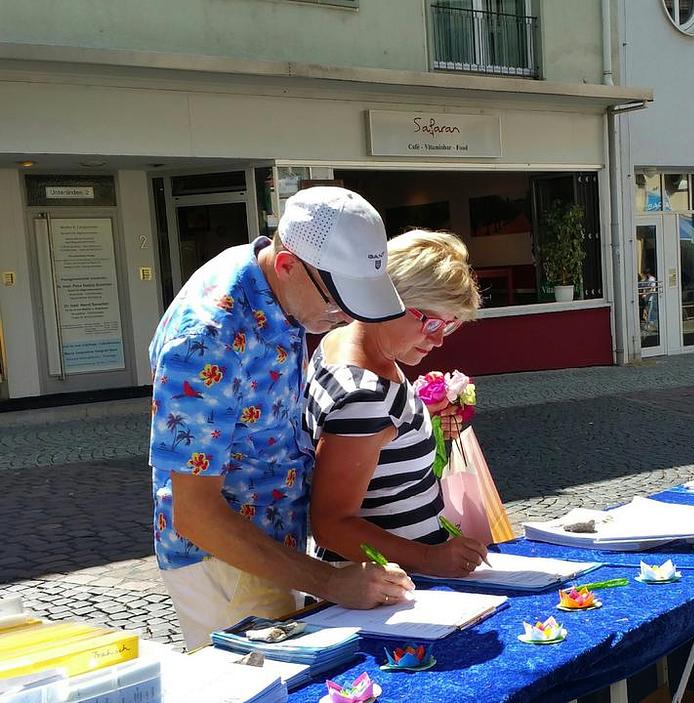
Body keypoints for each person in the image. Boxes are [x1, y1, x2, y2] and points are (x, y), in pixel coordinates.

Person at [149, 187, 415, 649]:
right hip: (224, 560)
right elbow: (194, 513)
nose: (340, 318)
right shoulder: (208, 335)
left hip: (270, 541)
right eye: (336, 303)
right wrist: (328, 582)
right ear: (289, 264)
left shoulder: (276, 279)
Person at [305, 230, 488, 578]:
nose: (437, 339)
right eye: (431, 322)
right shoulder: (363, 396)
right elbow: (331, 524)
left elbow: (377, 443)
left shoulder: (346, 342)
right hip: (385, 588)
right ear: (388, 300)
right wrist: (430, 559)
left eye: (449, 326)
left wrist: (418, 420)